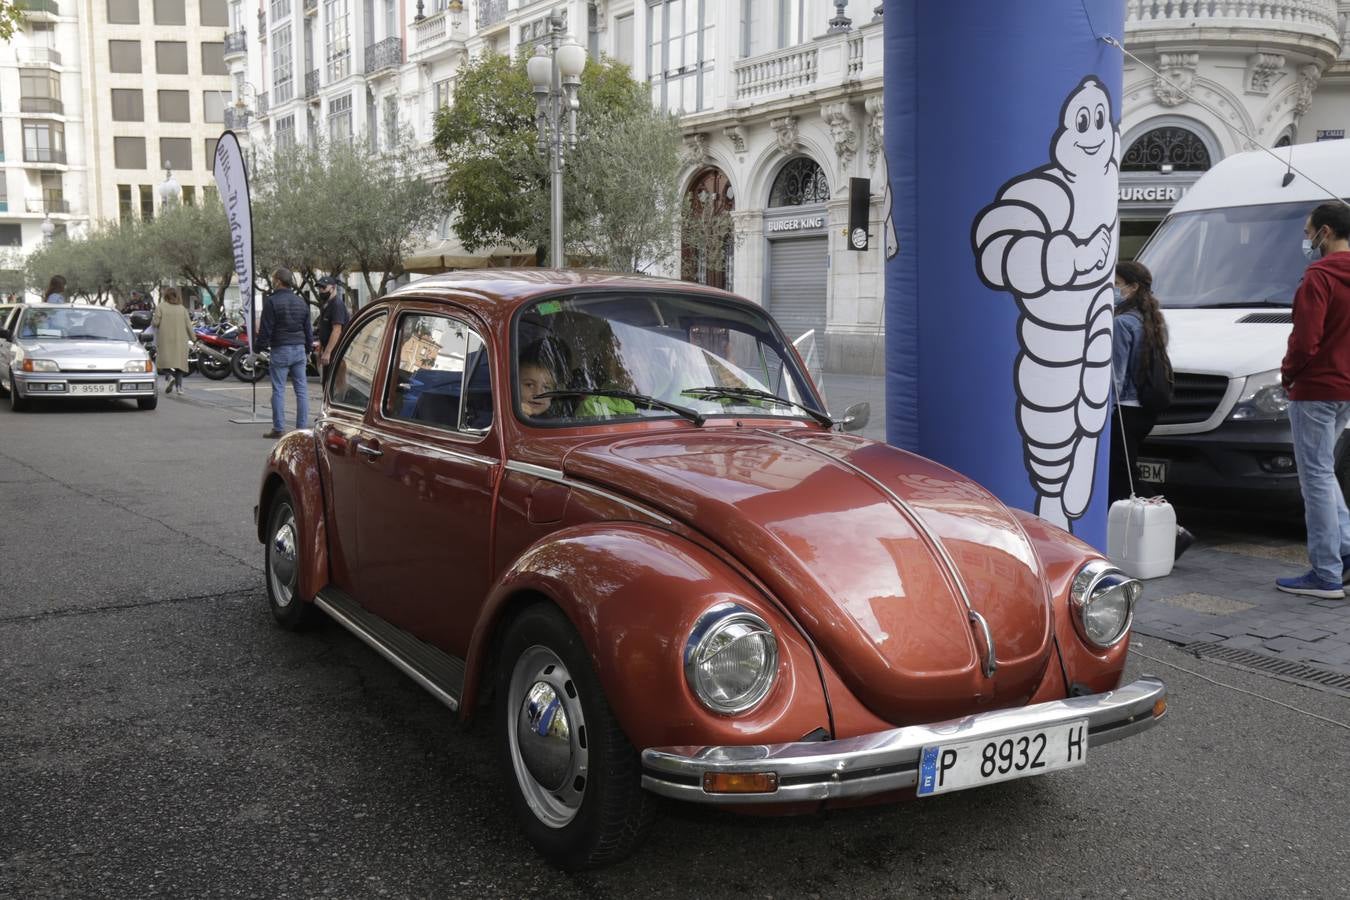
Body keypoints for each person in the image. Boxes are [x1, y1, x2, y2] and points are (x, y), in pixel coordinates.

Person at [1276, 202, 1350, 599]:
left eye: (1308, 232)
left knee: (1315, 479)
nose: (1306, 239)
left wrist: (1289, 374)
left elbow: (1305, 339)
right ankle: (1346, 551)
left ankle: (1326, 572)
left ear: (1325, 231)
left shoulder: (1318, 277)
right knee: (1324, 473)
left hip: (1315, 387)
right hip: (1345, 388)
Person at [1110, 261, 1195, 559]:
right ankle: (1136, 536)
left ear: (1132, 287)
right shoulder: (1151, 319)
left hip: (1126, 409)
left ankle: (1173, 531)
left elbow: (1116, 376)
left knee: (1125, 477)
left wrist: (1103, 413)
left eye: (1117, 283)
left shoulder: (1122, 323)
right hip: (1144, 411)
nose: (1114, 289)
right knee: (1122, 474)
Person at [256, 267, 314, 440]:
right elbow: (307, 329)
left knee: (279, 390)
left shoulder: (272, 302)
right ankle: (302, 428)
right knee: (302, 390)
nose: (272, 282)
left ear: (279, 281)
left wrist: (256, 350)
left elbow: (266, 330)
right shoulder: (301, 302)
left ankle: (279, 428)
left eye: (274, 279)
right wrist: (308, 349)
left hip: (280, 348)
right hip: (299, 349)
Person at [152, 287, 195, 396]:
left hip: (165, 339)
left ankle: (169, 377)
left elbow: (156, 323)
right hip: (181, 340)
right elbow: (189, 326)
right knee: (179, 365)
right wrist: (194, 339)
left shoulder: (161, 307)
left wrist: (153, 321)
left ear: (165, 296)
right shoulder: (182, 309)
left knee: (163, 362)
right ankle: (179, 388)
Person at [313, 275, 349, 375]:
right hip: (329, 351)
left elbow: (337, 330)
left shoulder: (337, 305)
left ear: (333, 288)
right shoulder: (327, 304)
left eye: (323, 287)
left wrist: (328, 352)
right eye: (319, 287)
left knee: (336, 385)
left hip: (336, 352)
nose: (321, 290)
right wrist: (321, 350)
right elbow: (324, 330)